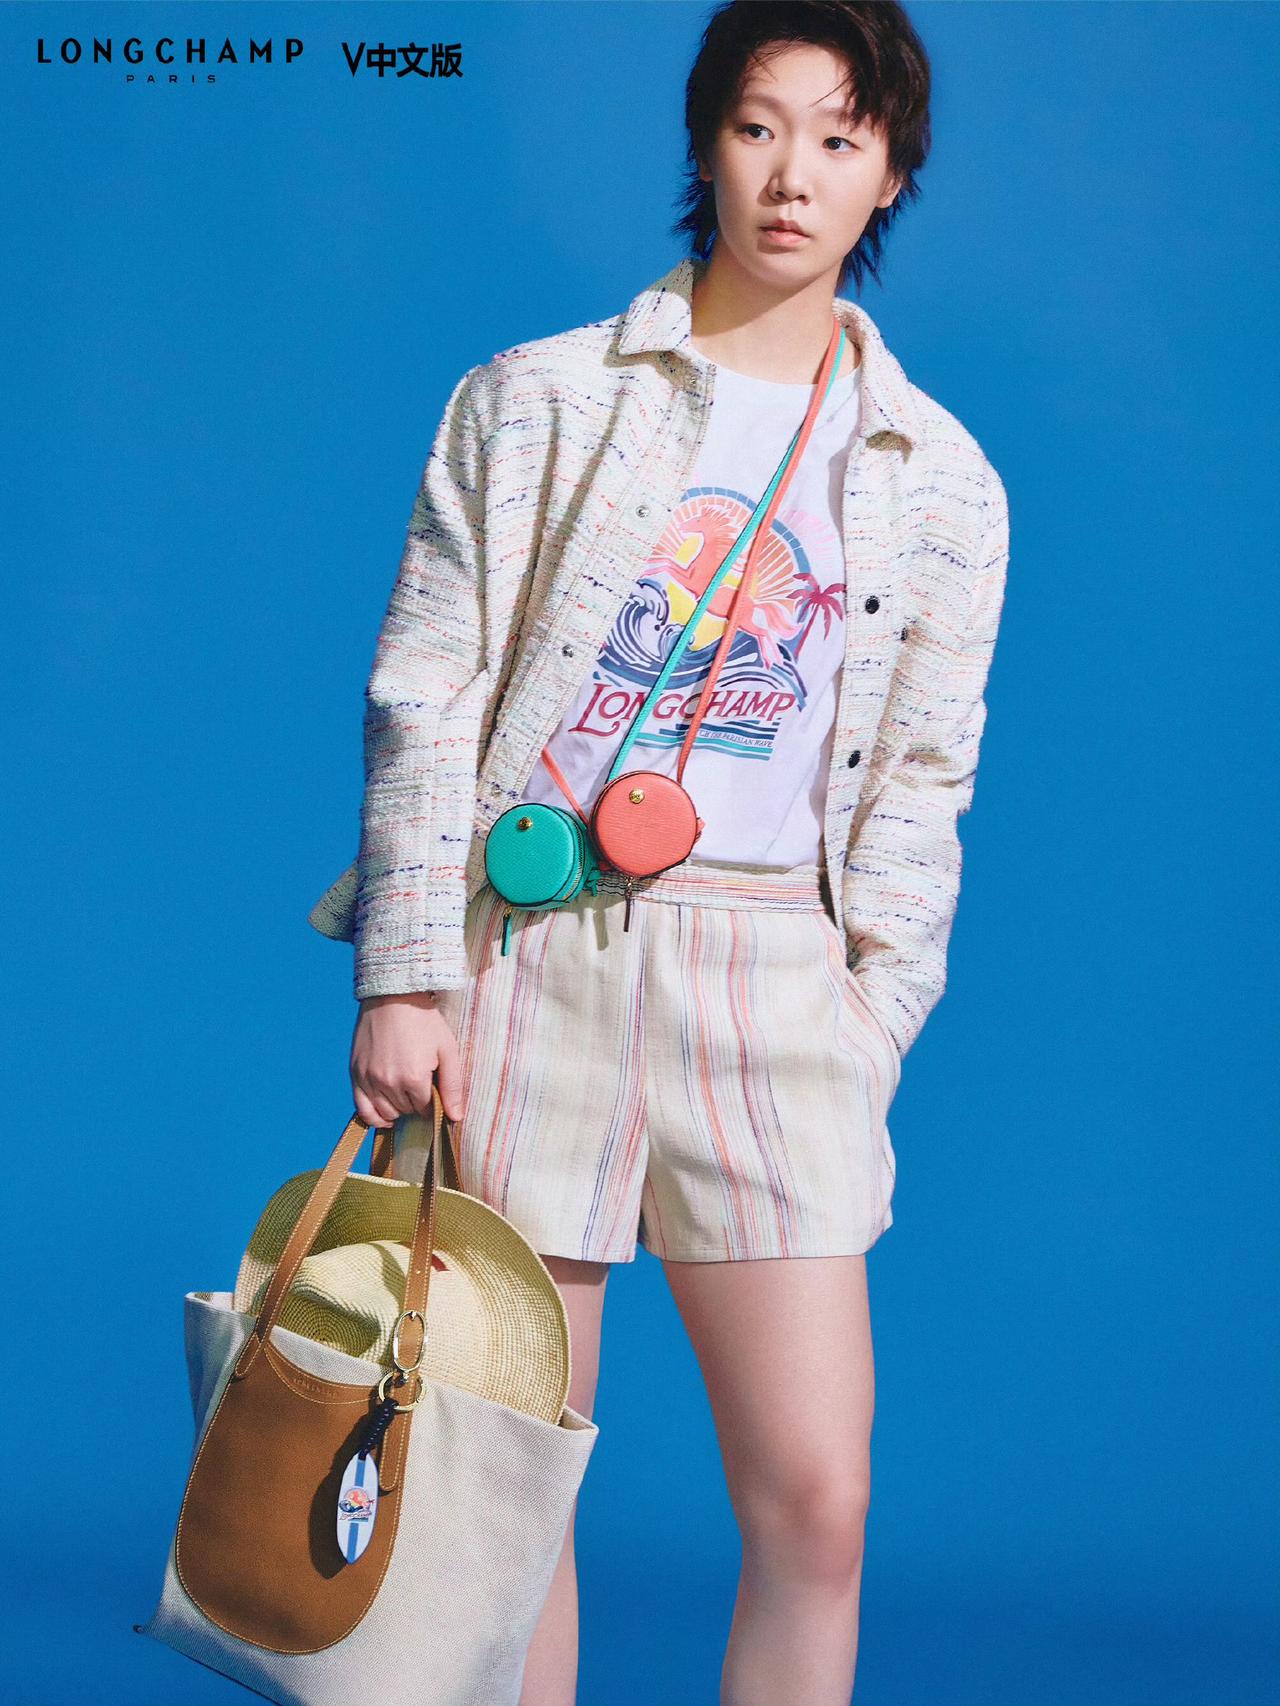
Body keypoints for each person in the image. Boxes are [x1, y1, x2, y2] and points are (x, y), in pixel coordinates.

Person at [310, 3, 1009, 1701]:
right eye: (761, 126)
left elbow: (922, 786)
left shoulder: (940, 480)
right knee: (507, 1494)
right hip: (534, 952)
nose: (794, 175)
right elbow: (426, 694)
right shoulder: (538, 400)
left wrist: (869, 1023)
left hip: (774, 981)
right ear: (707, 143)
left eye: (841, 138)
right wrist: (410, 974)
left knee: (817, 1501)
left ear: (892, 173)